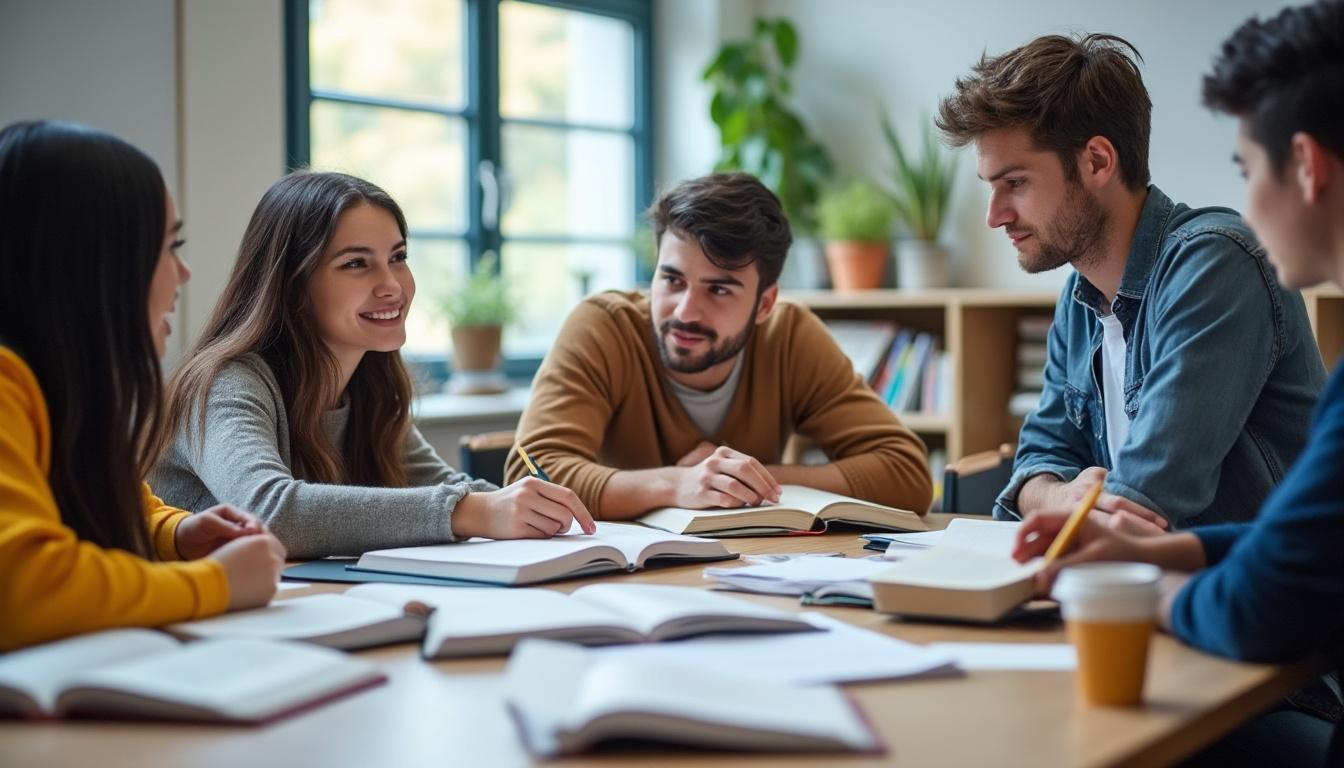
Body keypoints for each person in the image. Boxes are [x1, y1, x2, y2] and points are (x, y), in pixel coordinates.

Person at [1014, 3, 1344, 764]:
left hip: (1281, 681)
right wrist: (1168, 554)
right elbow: (1301, 540)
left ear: (1306, 166)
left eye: (1247, 171)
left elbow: (1261, 594)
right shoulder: (1079, 295)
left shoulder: (1220, 258)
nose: (1247, 206)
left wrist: (1141, 586)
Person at [937, 33, 1325, 530]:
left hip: (1249, 578)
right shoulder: (1081, 297)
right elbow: (1037, 458)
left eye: (1015, 183)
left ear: (1097, 161)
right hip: (1143, 571)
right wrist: (1057, 497)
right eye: (991, 188)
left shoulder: (1216, 265)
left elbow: (1148, 498)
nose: (994, 216)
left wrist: (1058, 502)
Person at [153, 171, 594, 560]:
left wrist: (532, 509)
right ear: (291, 284)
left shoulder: (371, 384)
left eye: (398, 258)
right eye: (356, 264)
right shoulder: (225, 384)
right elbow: (270, 512)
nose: (392, 286)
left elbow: (444, 487)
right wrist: (470, 510)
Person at [0, 120, 285, 651]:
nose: (184, 273)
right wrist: (215, 584)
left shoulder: (59, 390)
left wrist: (174, 533)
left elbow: (89, 495)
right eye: (169, 246)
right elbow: (22, 587)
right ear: (94, 262)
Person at [504, 172, 932, 520]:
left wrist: (743, 479)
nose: (685, 311)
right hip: (618, 573)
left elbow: (906, 473)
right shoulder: (604, 327)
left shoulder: (788, 336)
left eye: (719, 290)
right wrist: (675, 484)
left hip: (751, 574)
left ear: (764, 304)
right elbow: (531, 473)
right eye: (672, 280)